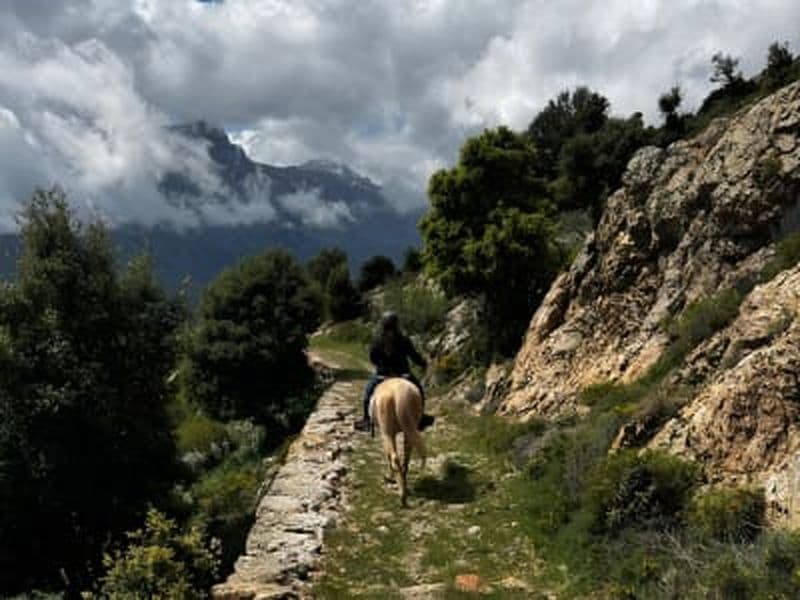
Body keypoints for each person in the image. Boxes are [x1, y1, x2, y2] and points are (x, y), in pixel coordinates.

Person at [354, 311, 435, 432]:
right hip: (403, 375)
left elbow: (373, 358)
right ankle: (420, 417)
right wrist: (423, 363)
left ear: (383, 325)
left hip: (383, 376)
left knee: (367, 394)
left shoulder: (377, 341)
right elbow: (414, 356)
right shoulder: (404, 340)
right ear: (397, 325)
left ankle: (367, 420)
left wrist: (383, 367)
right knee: (419, 391)